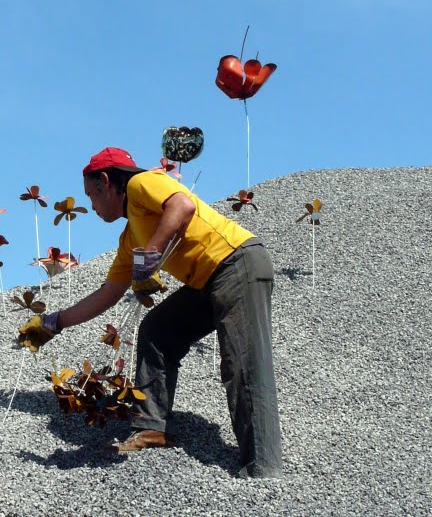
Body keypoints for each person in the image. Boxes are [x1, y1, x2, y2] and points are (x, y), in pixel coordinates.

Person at [18, 146, 283, 478]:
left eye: (92, 195)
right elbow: (110, 293)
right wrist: (55, 322)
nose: (92, 205)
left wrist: (151, 253)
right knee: (158, 331)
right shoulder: (130, 236)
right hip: (205, 283)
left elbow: (182, 205)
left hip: (236, 262)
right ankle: (151, 427)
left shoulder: (142, 183)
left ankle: (264, 469)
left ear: (106, 181)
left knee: (243, 362)